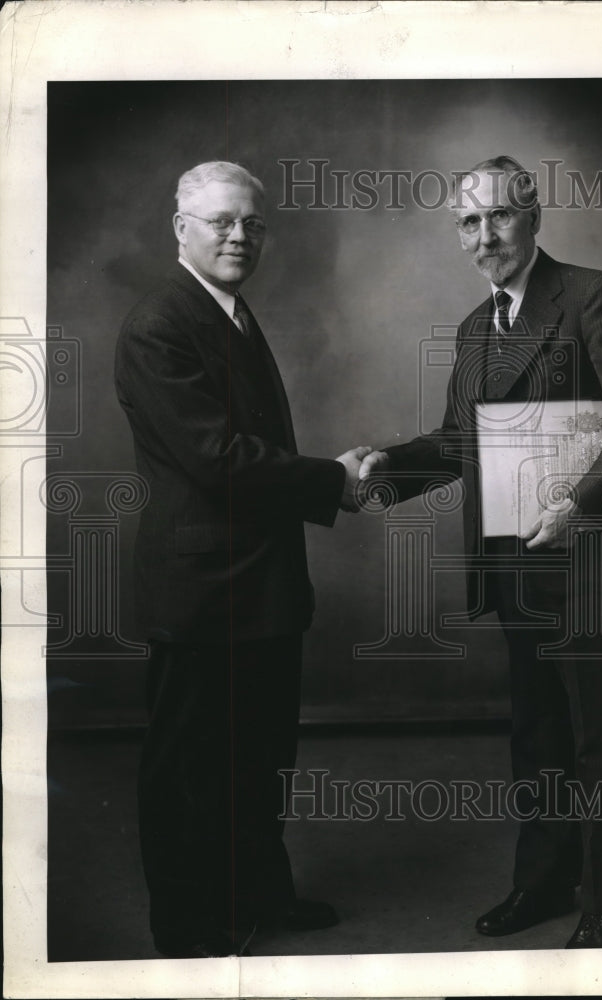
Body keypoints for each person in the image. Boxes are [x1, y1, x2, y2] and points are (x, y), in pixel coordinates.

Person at [358, 155, 602, 948]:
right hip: (516, 567)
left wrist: (582, 505)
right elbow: (460, 444)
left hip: (593, 557)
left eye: (499, 216)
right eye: (469, 222)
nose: (485, 235)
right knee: (537, 736)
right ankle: (542, 883)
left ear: (532, 217)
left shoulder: (593, 295)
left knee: (597, 737)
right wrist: (388, 467)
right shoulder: (474, 329)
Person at [115, 160, 369, 958]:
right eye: (223, 221)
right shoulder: (161, 322)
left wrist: (329, 477)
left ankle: (259, 894)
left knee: (261, 758)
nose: (239, 235)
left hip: (258, 582)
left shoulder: (229, 312)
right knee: (190, 766)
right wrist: (336, 479)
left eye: (253, 224)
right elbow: (217, 456)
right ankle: (187, 926)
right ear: (180, 228)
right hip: (199, 587)